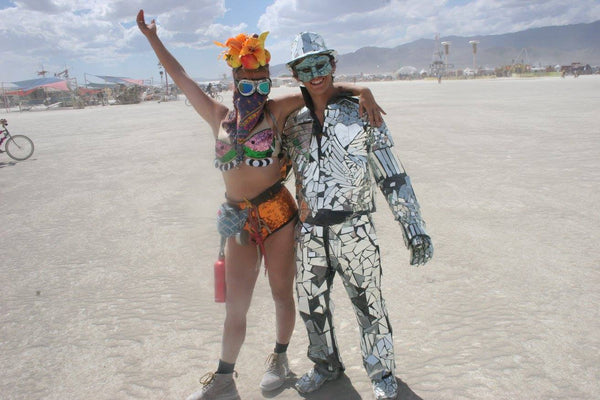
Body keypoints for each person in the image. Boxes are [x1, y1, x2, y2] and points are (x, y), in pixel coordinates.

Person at [137, 11, 384, 400]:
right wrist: (152, 38)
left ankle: (280, 359)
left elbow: (318, 88)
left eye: (262, 83)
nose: (256, 90)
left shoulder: (276, 109)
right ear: (234, 81)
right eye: (248, 84)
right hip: (236, 219)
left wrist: (360, 91)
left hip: (278, 215)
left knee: (282, 293)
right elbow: (181, 77)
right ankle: (223, 378)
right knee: (236, 305)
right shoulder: (217, 116)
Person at [282, 32, 434, 400]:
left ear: (333, 65)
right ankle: (325, 366)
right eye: (306, 68)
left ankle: (381, 375)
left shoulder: (364, 114)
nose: (315, 74)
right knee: (311, 306)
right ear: (296, 74)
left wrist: (413, 228)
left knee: (370, 306)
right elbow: (276, 175)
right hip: (310, 234)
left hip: (355, 231)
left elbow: (392, 175)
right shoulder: (293, 123)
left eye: (321, 65)